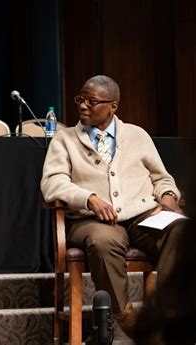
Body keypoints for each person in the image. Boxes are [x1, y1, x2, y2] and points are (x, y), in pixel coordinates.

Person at [40, 75, 187, 338]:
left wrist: (167, 197)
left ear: (113, 106)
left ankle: (168, 311)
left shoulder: (137, 135)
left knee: (180, 229)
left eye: (92, 101)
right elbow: (52, 184)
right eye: (80, 99)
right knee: (103, 241)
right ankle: (130, 321)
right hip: (91, 221)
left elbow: (162, 178)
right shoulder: (64, 139)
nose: (83, 105)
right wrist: (89, 198)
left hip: (142, 217)